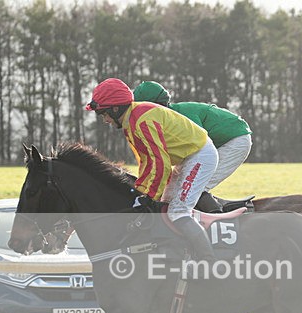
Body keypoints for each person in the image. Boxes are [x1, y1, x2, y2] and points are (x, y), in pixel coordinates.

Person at [85, 78, 218, 260]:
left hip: (200, 155)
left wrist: (149, 196)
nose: (105, 120)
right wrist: (141, 191)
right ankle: (177, 252)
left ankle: (208, 260)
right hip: (187, 158)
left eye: (104, 114)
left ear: (116, 109)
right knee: (164, 205)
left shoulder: (142, 120)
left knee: (177, 211)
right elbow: (146, 161)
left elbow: (160, 161)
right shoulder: (130, 123)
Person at [132, 81, 252, 212]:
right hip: (215, 143)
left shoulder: (180, 117)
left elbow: (199, 148)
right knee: (168, 195)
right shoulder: (162, 119)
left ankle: (217, 219)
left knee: (194, 188)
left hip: (235, 139)